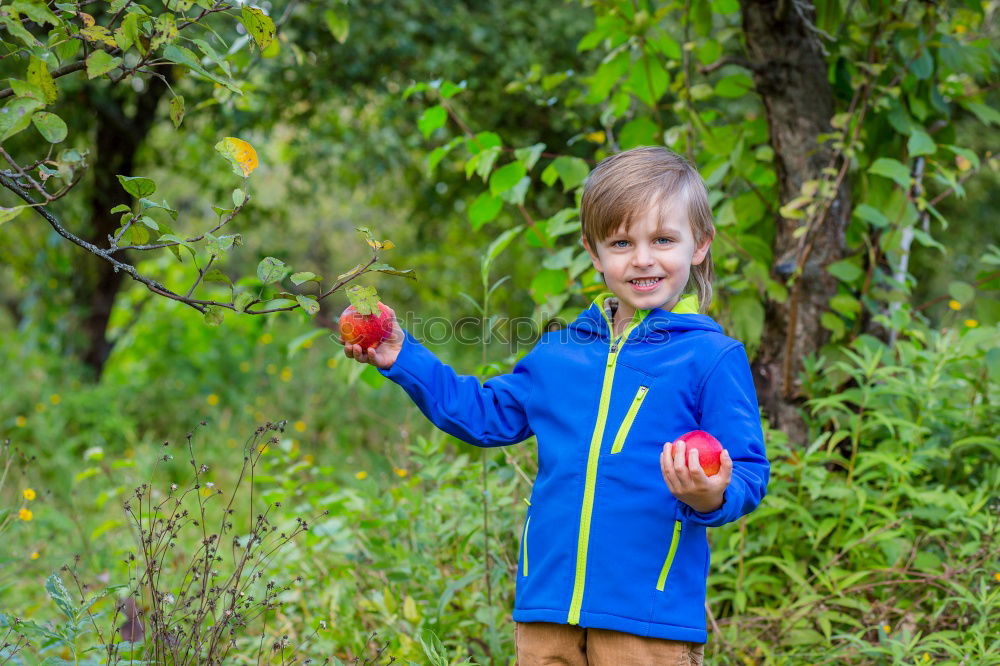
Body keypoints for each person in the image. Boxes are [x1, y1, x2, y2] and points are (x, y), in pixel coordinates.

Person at [342, 146, 770, 665]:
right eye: (621, 242)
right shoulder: (560, 351)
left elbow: (746, 471)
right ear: (594, 253)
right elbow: (482, 413)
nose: (642, 258)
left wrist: (711, 494)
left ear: (699, 245)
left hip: (647, 618)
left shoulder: (711, 357)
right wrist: (403, 355)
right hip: (546, 610)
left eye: (663, 239)